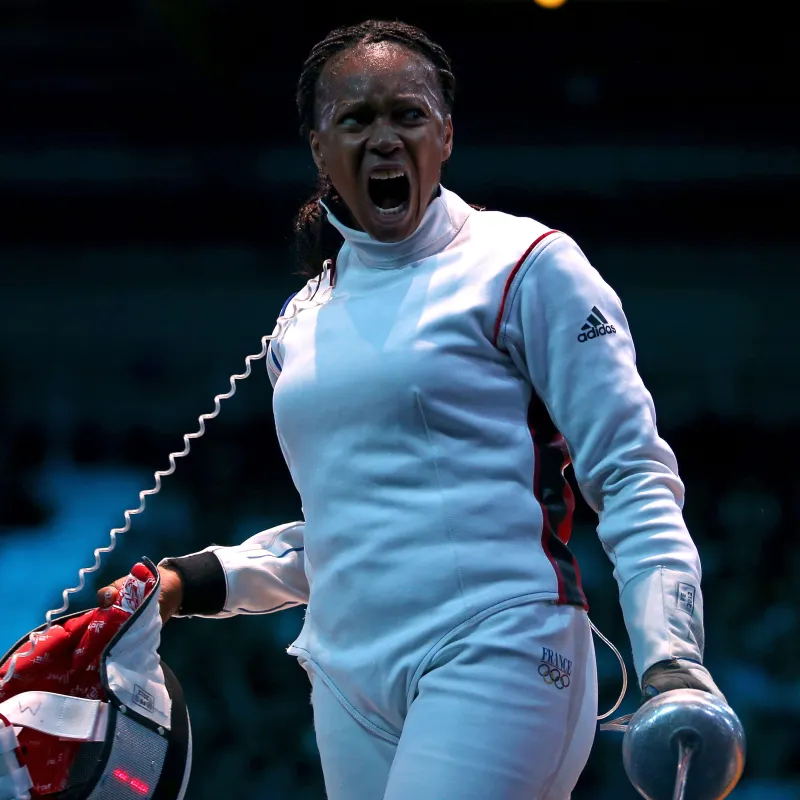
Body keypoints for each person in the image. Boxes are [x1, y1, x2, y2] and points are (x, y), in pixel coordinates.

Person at [99, 19, 723, 799]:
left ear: (447, 136)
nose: (385, 137)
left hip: (501, 647)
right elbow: (345, 533)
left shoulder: (526, 266)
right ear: (320, 149)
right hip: (347, 680)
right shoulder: (303, 322)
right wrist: (195, 579)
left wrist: (673, 656)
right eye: (356, 119)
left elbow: (631, 471)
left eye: (409, 114)